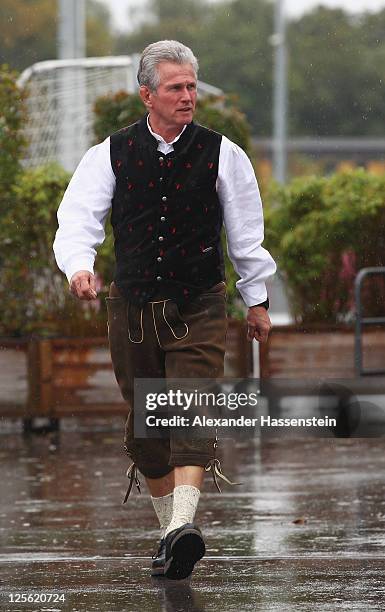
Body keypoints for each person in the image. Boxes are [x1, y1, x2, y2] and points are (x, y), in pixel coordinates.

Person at [53, 40, 276, 581]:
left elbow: (247, 236)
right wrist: (79, 268)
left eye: (192, 86)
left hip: (197, 302)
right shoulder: (109, 152)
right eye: (175, 88)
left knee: (190, 409)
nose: (187, 97)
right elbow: (78, 218)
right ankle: (172, 536)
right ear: (146, 94)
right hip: (130, 306)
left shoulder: (224, 154)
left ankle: (183, 528)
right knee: (147, 430)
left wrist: (257, 301)